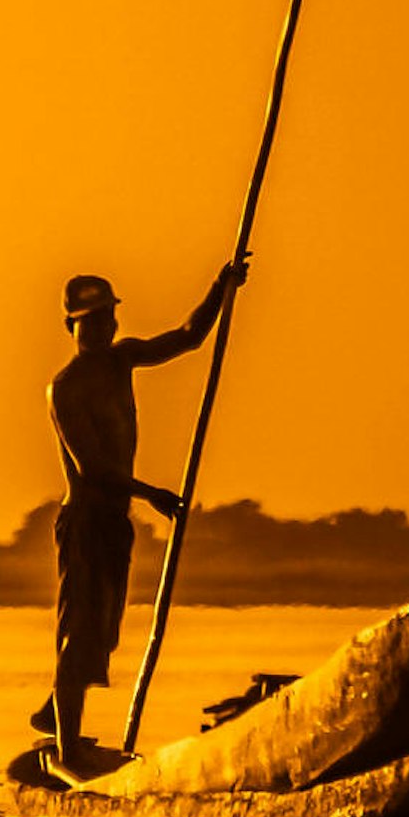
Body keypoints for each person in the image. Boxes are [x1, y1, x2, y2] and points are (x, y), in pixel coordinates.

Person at [41, 259, 246, 771]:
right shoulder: (65, 387)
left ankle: (53, 712)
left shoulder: (122, 360)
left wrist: (220, 287)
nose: (101, 329)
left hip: (114, 522)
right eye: (89, 322)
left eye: (107, 319)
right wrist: (151, 492)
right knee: (81, 630)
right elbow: (92, 468)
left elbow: (187, 338)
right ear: (72, 328)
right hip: (86, 522)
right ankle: (66, 748)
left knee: (105, 632)